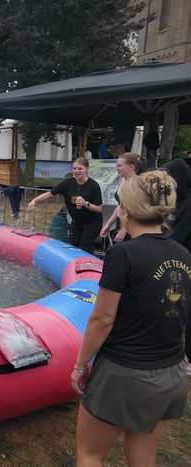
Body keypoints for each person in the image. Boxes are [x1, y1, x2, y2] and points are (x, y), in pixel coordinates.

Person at [71, 170, 190, 466]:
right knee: (143, 453)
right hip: (171, 371)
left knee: (90, 453)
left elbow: (102, 319)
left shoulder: (123, 254)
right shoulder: (183, 254)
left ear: (125, 209)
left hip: (124, 372)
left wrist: (80, 365)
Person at [27, 157, 103, 253]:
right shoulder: (68, 183)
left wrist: (86, 203)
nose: (76, 171)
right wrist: (35, 200)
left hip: (92, 223)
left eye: (80, 169)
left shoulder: (93, 186)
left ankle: (89, 261)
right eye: (74, 168)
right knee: (73, 247)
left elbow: (98, 209)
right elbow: (50, 194)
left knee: (85, 246)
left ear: (87, 169)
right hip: (77, 222)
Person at [100, 152, 146, 243]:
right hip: (120, 222)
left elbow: (135, 210)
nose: (117, 168)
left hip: (130, 226)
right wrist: (108, 224)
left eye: (120, 166)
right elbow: (120, 205)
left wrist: (123, 230)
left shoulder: (136, 184)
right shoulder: (123, 180)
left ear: (131, 167)